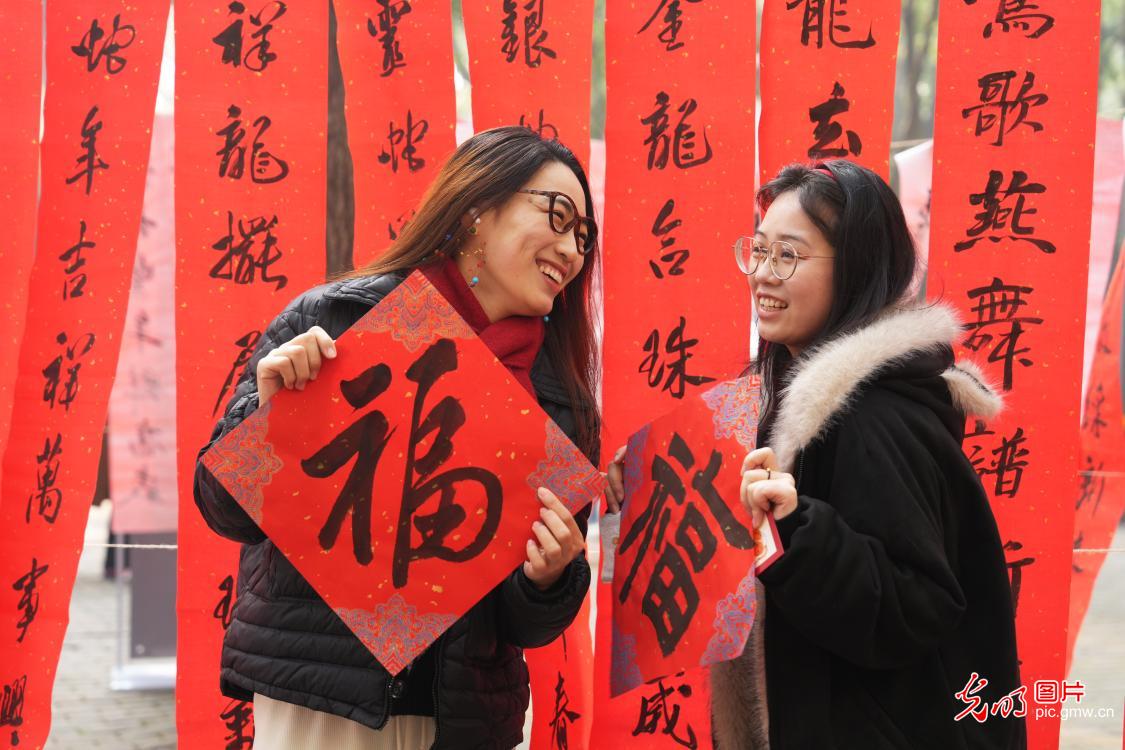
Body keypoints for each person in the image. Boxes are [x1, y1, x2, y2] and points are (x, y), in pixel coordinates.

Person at [194, 126, 601, 750]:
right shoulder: (337, 321)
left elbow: (526, 623)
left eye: (582, 236)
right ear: (475, 208)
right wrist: (268, 424)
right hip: (322, 704)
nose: (572, 249)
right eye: (558, 215)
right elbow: (223, 509)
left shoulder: (561, 407)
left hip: (462, 721)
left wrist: (549, 577)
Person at [607, 160, 1025, 749]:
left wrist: (798, 530)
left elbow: (919, 603)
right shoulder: (791, 405)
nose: (762, 275)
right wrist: (656, 486)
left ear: (855, 269)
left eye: (789, 256)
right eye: (757, 250)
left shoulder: (876, 417)